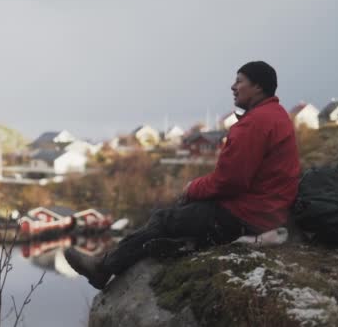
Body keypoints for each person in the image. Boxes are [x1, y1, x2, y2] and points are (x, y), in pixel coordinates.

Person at [64, 61, 301, 290]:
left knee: (164, 219)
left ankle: (103, 268)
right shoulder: (276, 114)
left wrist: (191, 188)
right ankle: (179, 242)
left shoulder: (254, 123)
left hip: (250, 215)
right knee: (186, 214)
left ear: (258, 86)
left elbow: (230, 181)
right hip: (269, 210)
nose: (233, 87)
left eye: (239, 81)